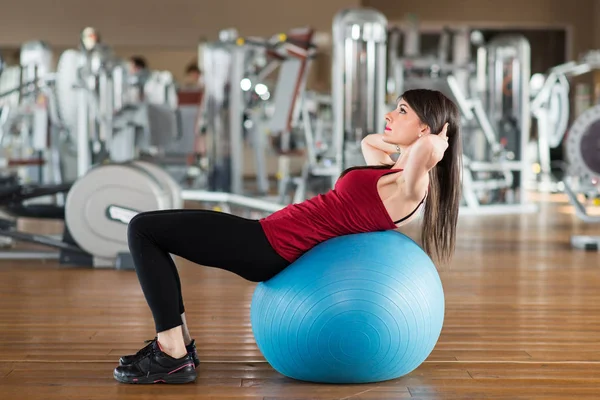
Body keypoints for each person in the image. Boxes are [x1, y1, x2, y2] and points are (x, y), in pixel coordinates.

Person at [112, 88, 462, 384]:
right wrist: (410, 141)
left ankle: (171, 352)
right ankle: (178, 346)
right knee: (150, 230)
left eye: (402, 110)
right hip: (267, 235)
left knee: (143, 230)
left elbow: (424, 159)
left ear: (425, 131)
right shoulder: (393, 172)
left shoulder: (411, 186)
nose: (390, 113)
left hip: (267, 245)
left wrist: (430, 145)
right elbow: (370, 141)